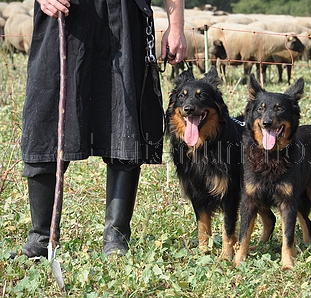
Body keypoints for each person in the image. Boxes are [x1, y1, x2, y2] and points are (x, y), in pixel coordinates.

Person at [20, 0, 187, 258]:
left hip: (125, 14)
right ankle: (41, 239)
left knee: (126, 118)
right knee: (47, 118)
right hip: (63, 11)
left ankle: (116, 238)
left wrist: (176, 26)